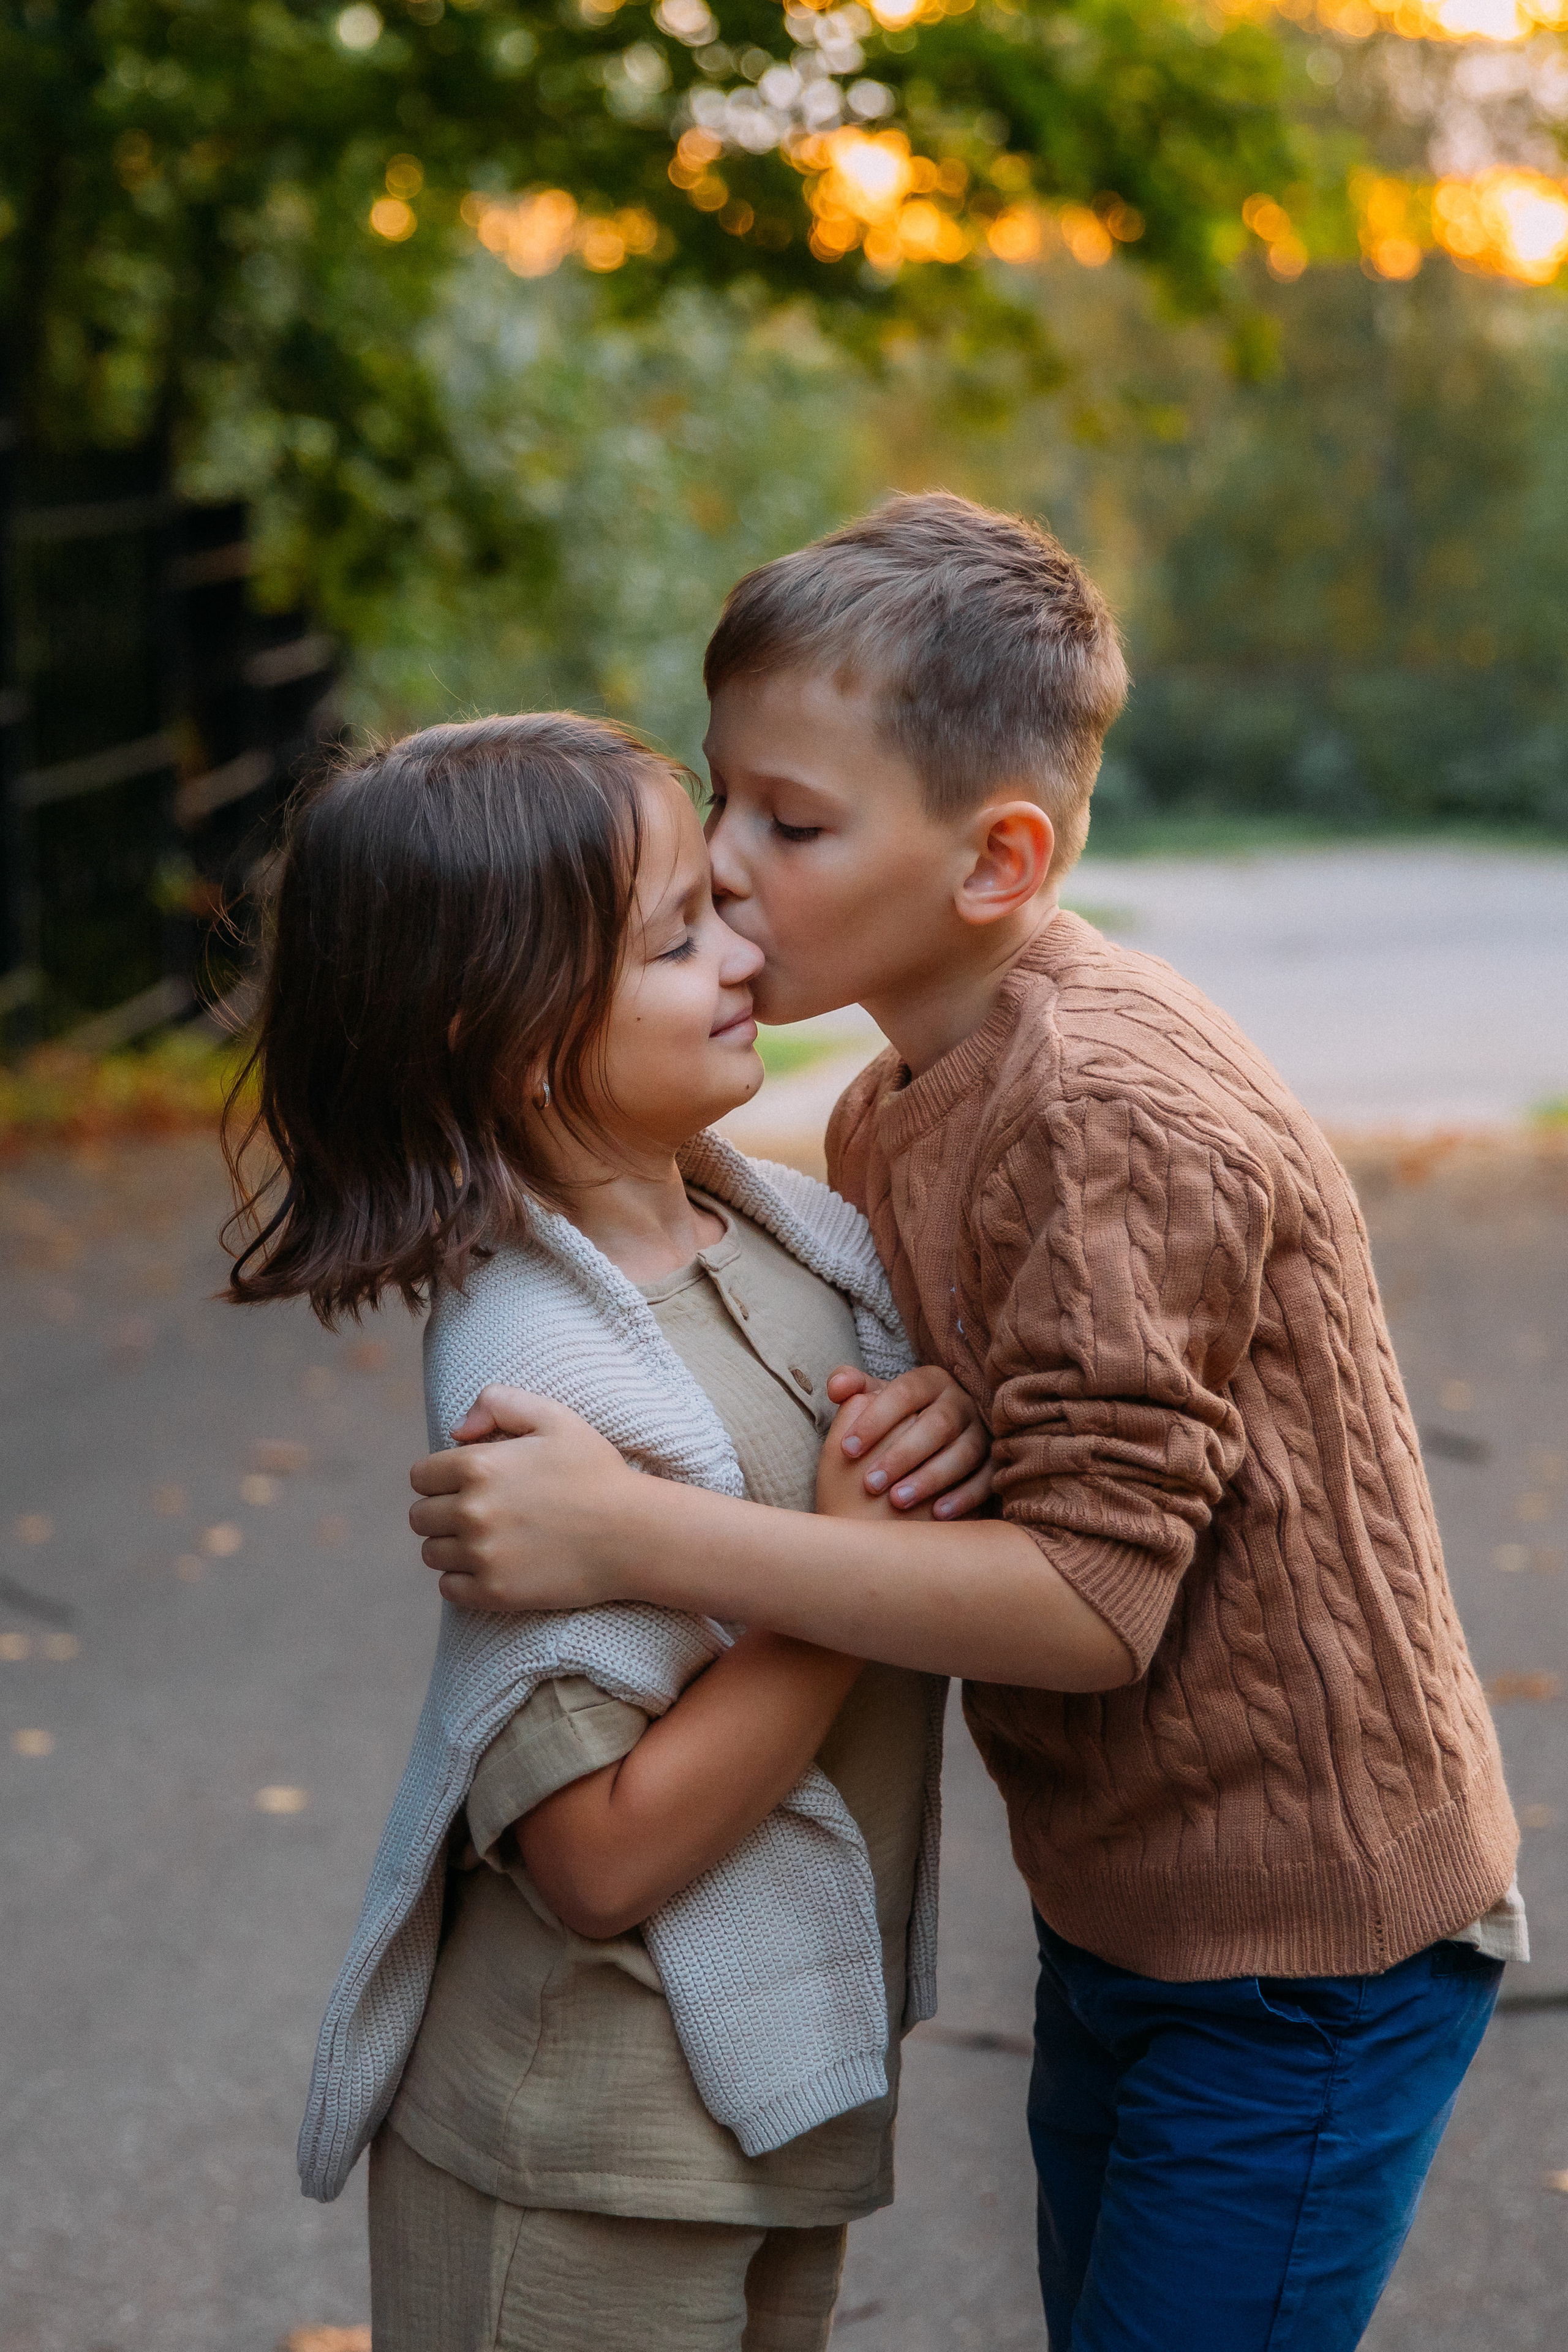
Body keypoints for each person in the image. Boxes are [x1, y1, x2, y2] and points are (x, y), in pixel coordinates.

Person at [409, 496, 1525, 2352]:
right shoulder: (894, 1110)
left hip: (1308, 1945)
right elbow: (1046, 1424)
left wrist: (636, 1538)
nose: (728, 870)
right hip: (1132, 1908)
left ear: (996, 861)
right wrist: (936, 1410)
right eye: (724, 798)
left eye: (796, 822)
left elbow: (1094, 1604)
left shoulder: (1105, 1113)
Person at [221, 711, 995, 2352]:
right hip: (579, 2141)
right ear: (504, 1035)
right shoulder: (542, 1362)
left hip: (771, 2108)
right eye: (674, 939)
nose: (742, 948)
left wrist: (942, 1427)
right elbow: (598, 1856)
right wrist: (855, 1586)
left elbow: (890, 1480)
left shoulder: (791, 1247)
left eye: (717, 906)